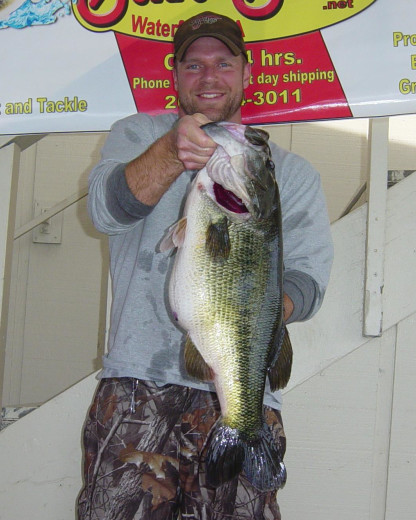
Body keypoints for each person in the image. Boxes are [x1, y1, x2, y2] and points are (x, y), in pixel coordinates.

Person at [78, 11, 333, 520]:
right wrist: (172, 152)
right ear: (174, 76)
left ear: (247, 71)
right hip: (137, 385)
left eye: (223, 63)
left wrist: (258, 310)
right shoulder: (138, 136)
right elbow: (106, 212)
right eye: (193, 66)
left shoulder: (290, 172)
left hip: (243, 390)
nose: (209, 76)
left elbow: (308, 279)